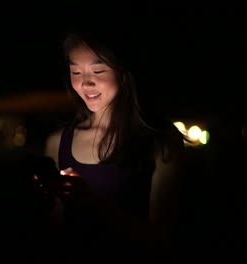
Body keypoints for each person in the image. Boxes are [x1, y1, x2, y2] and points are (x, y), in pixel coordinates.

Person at [33, 28, 190, 262]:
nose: (85, 82)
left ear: (123, 71)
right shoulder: (58, 142)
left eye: (98, 70)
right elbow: (55, 229)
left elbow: (161, 239)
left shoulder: (161, 141)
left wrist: (91, 203)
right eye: (75, 71)